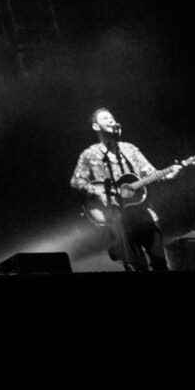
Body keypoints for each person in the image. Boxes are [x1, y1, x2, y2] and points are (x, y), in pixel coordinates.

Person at [70, 108, 182, 271]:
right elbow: (78, 181)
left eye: (111, 117)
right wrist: (98, 192)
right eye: (105, 118)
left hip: (142, 214)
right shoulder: (90, 154)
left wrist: (169, 175)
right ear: (95, 126)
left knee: (160, 262)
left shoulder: (130, 149)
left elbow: (150, 173)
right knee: (135, 266)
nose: (111, 119)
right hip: (117, 219)